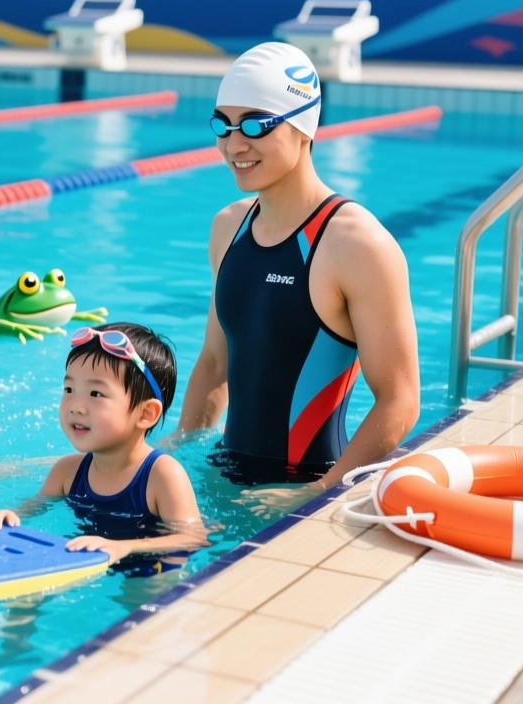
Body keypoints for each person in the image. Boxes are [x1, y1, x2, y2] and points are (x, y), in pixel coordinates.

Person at [177, 42, 419, 512]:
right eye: (223, 125)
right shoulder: (228, 227)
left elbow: (400, 399)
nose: (234, 144)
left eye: (255, 124)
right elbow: (213, 363)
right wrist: (179, 453)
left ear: (304, 126)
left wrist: (315, 494)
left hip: (307, 485)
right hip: (221, 477)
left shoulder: (356, 244)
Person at [0, 322, 207, 574]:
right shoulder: (67, 472)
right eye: (69, 389)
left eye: (95, 393)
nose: (76, 406)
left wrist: (124, 547)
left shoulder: (162, 474)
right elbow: (31, 509)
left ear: (146, 414)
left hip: (151, 564)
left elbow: (193, 538)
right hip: (89, 554)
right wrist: (7, 515)